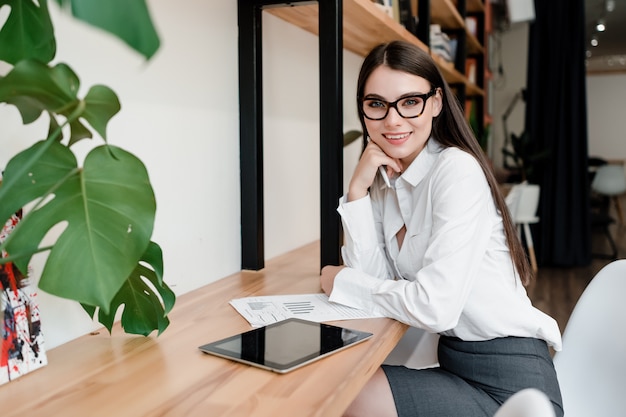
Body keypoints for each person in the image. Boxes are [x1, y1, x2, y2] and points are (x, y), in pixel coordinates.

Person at [320, 40, 563, 417]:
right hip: (453, 364)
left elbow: (435, 309)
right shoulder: (385, 178)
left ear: (435, 103)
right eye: (376, 104)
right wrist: (356, 192)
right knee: (341, 384)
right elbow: (374, 281)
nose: (393, 120)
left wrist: (342, 281)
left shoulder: (456, 170)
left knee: (346, 397)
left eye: (410, 102)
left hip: (513, 385)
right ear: (363, 110)